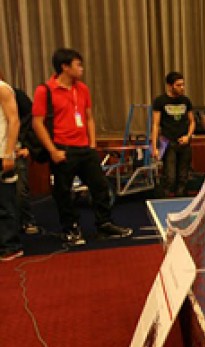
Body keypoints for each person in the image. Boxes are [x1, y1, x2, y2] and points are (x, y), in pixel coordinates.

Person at [32, 48, 132, 246]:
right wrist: (52, 150)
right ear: (65, 67)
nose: (82, 69)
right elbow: (37, 123)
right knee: (63, 192)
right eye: (78, 65)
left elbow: (89, 118)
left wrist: (92, 144)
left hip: (85, 148)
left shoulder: (83, 89)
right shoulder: (45, 90)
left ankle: (104, 223)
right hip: (62, 148)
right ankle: (71, 228)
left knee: (100, 187)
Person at [151, 71, 195, 197]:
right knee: (170, 178)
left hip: (184, 144)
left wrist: (188, 136)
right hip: (168, 143)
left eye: (183, 85)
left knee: (183, 178)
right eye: (178, 85)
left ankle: (181, 201)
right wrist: (154, 148)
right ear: (170, 86)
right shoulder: (160, 101)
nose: (182, 88)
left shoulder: (186, 101)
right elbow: (155, 125)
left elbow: (192, 122)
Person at [0, 70, 23, 261]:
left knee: (5, 202)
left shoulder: (2, 88)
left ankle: (10, 245)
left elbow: (14, 121)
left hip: (2, 153)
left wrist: (9, 153)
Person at [12, 84, 39, 234]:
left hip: (16, 149)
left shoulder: (16, 95)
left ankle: (27, 220)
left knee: (21, 189)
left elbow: (32, 120)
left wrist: (28, 146)